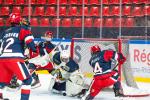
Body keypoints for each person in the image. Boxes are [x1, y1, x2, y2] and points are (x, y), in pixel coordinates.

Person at [0, 13, 37, 100]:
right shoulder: (23, 29)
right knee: (27, 80)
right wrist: (35, 50)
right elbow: (30, 42)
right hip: (15, 59)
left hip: (2, 59)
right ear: (19, 20)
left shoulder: (4, 32)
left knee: (2, 83)